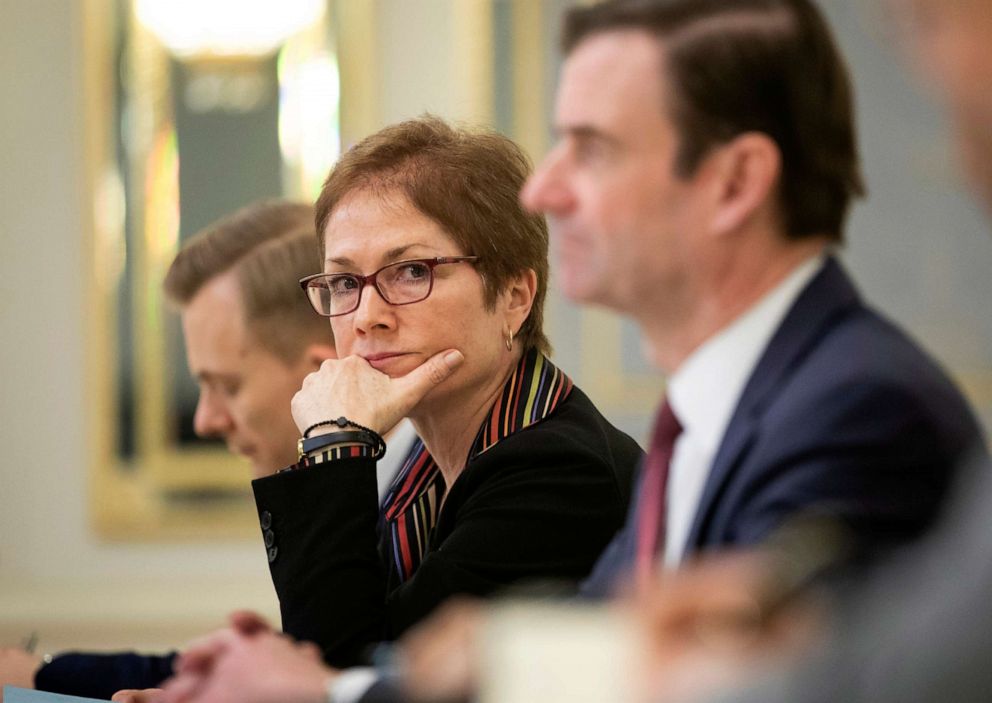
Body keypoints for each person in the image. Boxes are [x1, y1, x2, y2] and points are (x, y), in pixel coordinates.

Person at [149, 2, 985, 702]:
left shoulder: (855, 408)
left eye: (590, 147)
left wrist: (337, 684)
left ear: (733, 183)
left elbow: (800, 683)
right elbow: (600, 642)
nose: (546, 190)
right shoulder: (704, 413)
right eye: (343, 283)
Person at [0, 201, 414, 700]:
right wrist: (42, 674)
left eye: (227, 385)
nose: (205, 420)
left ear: (320, 371)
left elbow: (331, 679)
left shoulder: (430, 496)